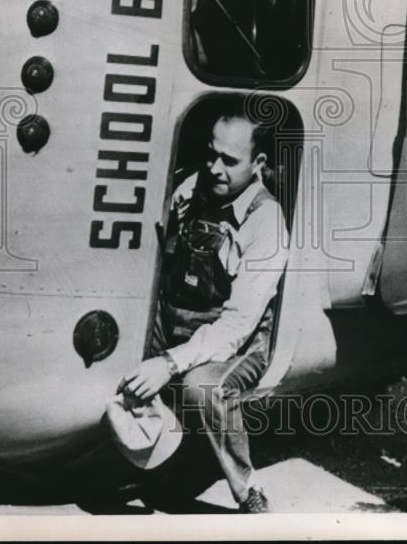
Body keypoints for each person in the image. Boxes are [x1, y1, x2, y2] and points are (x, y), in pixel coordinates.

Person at [119, 105, 289, 514]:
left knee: (203, 387)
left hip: (237, 340)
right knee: (117, 352)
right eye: (211, 154)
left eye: (229, 161)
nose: (214, 168)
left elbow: (237, 324)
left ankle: (247, 488)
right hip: (178, 319)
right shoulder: (192, 188)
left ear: (258, 163)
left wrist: (168, 363)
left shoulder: (266, 220)